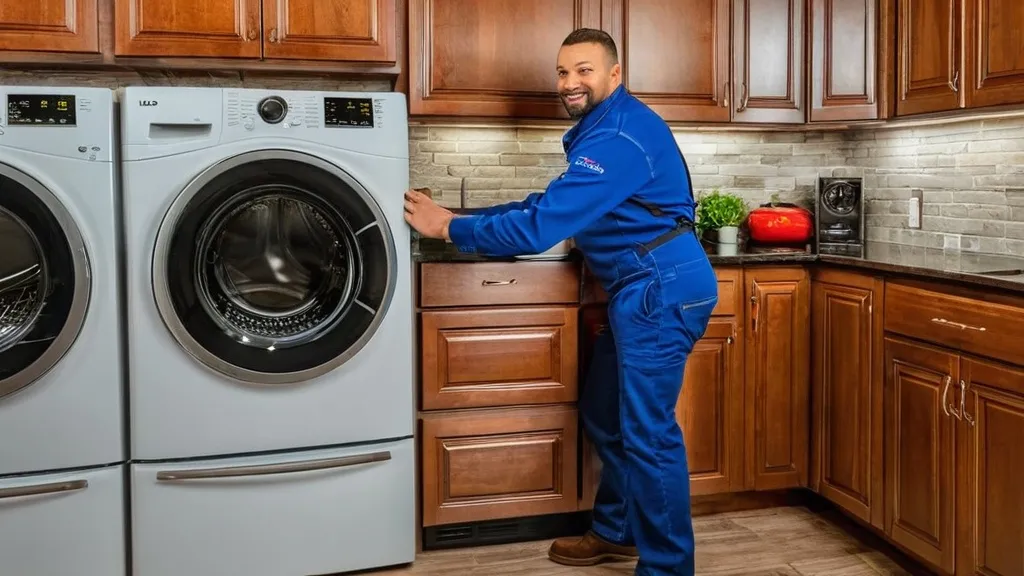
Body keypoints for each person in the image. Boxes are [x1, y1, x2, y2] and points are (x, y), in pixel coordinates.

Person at [403, 27, 718, 576]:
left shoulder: (618, 137)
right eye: (563, 72)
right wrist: (459, 218)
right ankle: (617, 532)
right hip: (640, 287)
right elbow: (545, 203)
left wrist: (451, 228)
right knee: (605, 416)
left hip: (659, 289)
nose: (569, 83)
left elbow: (539, 228)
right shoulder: (603, 129)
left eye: (584, 71)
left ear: (615, 75)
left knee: (648, 433)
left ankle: (668, 568)